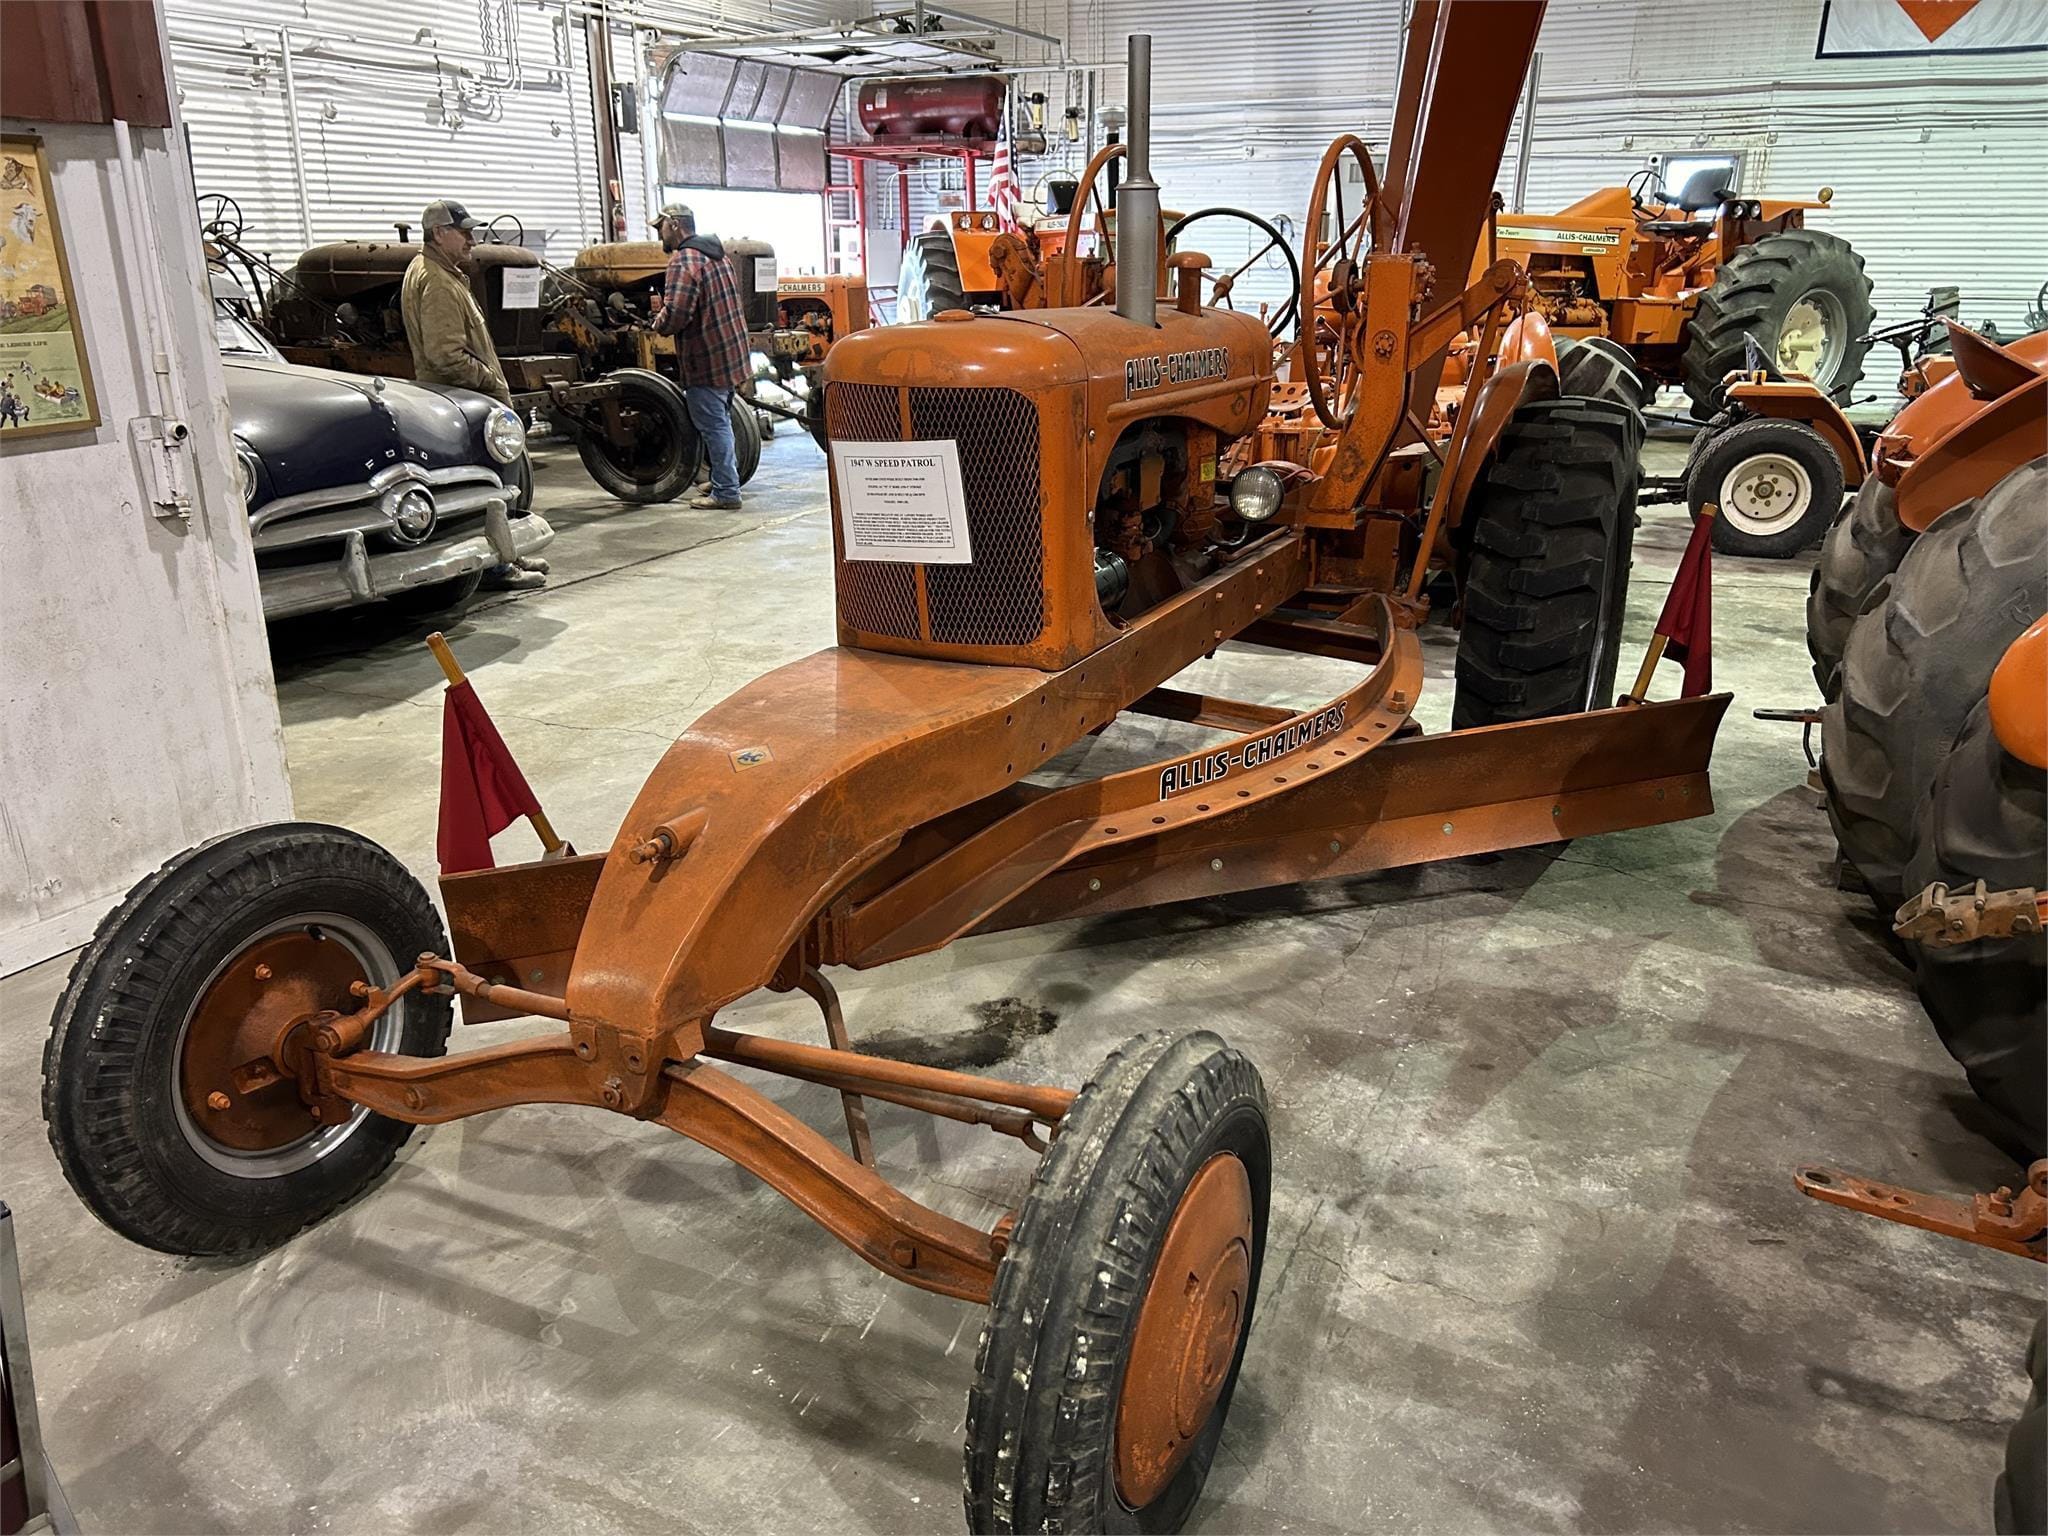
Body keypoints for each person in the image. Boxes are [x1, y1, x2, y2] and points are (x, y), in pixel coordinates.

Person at [400, 198, 546, 591]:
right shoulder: (437, 282)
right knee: (490, 490)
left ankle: (508, 551)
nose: (470, 239)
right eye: (463, 232)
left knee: (500, 487)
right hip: (468, 403)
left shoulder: (443, 274)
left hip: (467, 400)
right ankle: (499, 566)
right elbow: (445, 356)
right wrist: (490, 383)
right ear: (438, 234)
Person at [650, 204, 750, 511]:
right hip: (730, 351)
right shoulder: (717, 255)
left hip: (705, 357)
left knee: (713, 424)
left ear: (676, 225)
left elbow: (678, 312)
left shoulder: (684, 260)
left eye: (661, 228)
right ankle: (723, 476)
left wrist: (658, 324)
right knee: (721, 419)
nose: (659, 235)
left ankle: (727, 492)